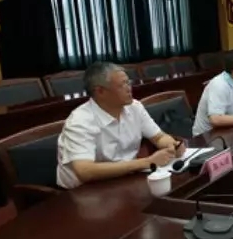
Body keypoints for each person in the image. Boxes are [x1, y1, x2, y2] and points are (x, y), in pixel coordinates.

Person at [56, 62, 186, 189]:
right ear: (100, 91)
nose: (129, 88)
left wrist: (171, 145)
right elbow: (85, 171)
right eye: (122, 85)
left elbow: (158, 137)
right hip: (83, 191)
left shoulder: (134, 107)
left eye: (128, 82)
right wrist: (147, 162)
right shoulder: (80, 121)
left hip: (123, 180)